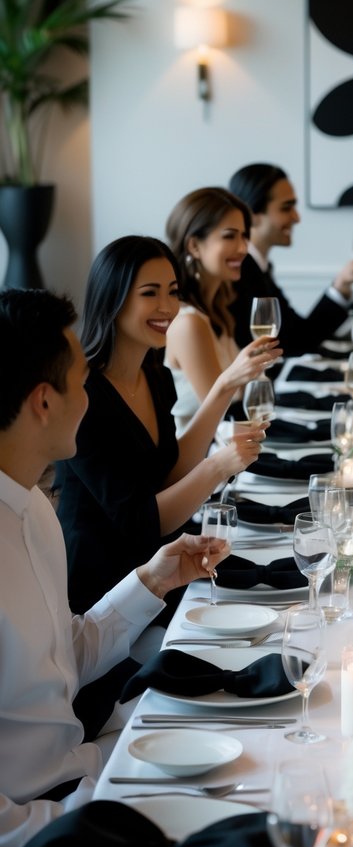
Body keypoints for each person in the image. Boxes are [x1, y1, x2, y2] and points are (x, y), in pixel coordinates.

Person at [0, 288, 229, 847]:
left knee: (241, 770)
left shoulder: (32, 509)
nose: (92, 396)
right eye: (83, 381)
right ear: (44, 402)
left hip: (83, 771)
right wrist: (91, 822)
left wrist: (152, 580)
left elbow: (61, 657)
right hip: (35, 839)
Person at [56, 236, 273, 614]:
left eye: (173, 292)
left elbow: (169, 474)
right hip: (107, 594)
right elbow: (142, 522)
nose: (167, 307)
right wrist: (219, 465)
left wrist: (223, 388)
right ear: (114, 298)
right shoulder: (84, 396)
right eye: (150, 293)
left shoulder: (155, 374)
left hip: (164, 569)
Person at [227, 163, 353, 358]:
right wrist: (339, 287)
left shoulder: (259, 267)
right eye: (287, 208)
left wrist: (341, 286)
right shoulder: (241, 273)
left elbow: (300, 334)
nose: (296, 218)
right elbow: (295, 342)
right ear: (251, 215)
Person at [165, 187, 280, 431]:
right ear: (194, 245)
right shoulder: (188, 323)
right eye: (229, 236)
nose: (242, 248)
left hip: (229, 448)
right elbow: (222, 414)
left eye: (244, 236)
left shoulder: (218, 308)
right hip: (202, 462)